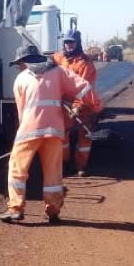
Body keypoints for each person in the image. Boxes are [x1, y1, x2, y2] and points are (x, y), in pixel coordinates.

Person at [0, 45, 101, 224]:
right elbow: (84, 87)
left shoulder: (21, 79)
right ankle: (53, 211)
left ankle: (15, 209)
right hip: (54, 131)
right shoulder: (59, 72)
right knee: (53, 173)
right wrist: (88, 106)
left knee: (17, 169)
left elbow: (22, 111)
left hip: (29, 130)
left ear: (24, 62)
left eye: (19, 63)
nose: (18, 67)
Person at [52, 34, 101, 177]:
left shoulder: (85, 63)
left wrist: (77, 105)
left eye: (72, 42)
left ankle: (81, 166)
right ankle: (65, 163)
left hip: (84, 105)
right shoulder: (60, 58)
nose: (69, 45)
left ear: (77, 43)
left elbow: (84, 88)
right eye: (66, 42)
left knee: (84, 137)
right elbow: (48, 62)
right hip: (66, 105)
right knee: (63, 135)